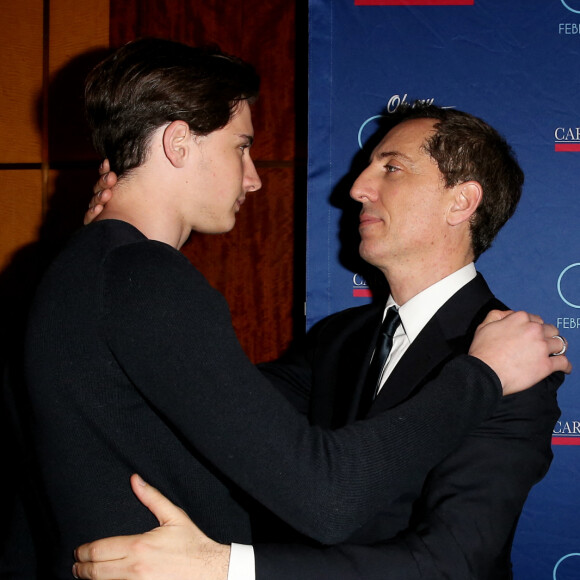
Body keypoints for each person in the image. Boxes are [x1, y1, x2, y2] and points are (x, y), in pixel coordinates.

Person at [22, 38, 563, 580]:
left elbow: (454, 564)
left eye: (391, 168)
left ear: (461, 201)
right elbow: (194, 407)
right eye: (242, 146)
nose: (356, 188)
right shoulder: (344, 340)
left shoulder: (517, 360)